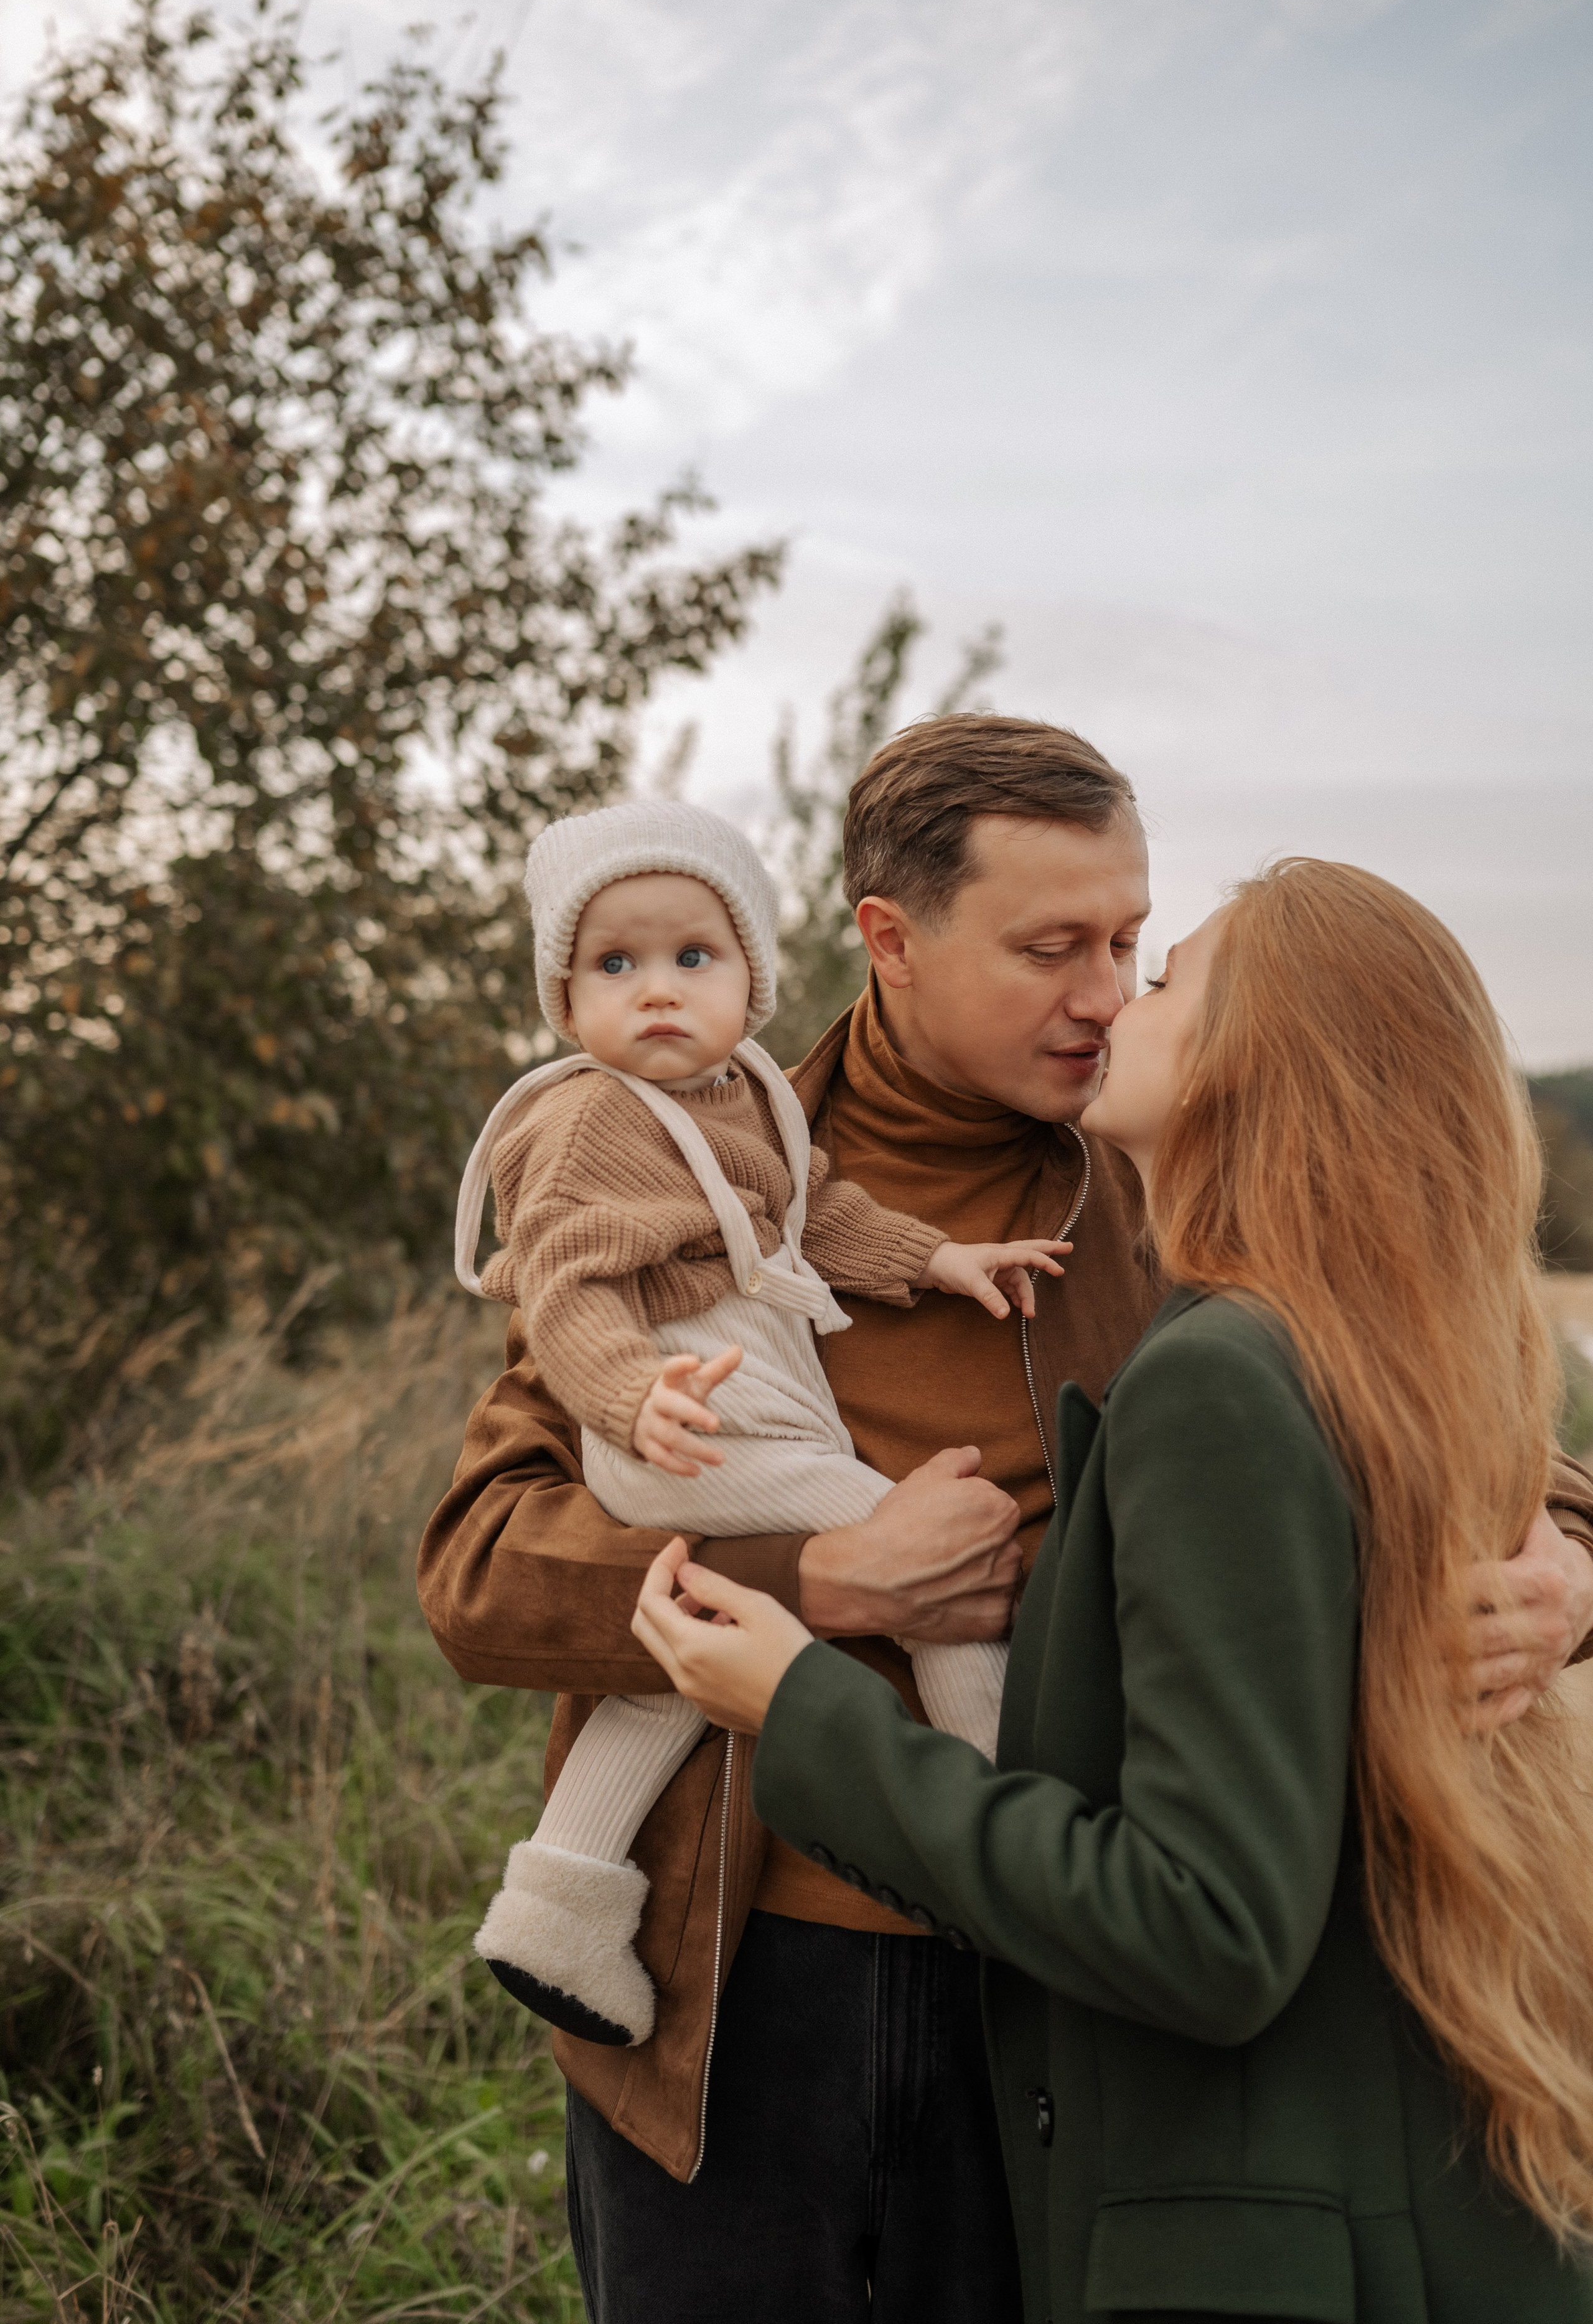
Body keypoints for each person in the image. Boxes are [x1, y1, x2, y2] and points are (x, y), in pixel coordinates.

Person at [418, 718, 1593, 2324]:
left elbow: (1455, 1412)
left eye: (1128, 942)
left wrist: (1567, 1566)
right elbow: (481, 1569)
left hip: (1059, 1981)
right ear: (890, 940)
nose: (1103, 992)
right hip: (734, 1997)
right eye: (1052, 950)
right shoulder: (682, 1157)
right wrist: (820, 1577)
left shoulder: (1180, 1174)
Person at [454, 799, 1057, 2048]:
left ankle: (558, 1902)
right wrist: (631, 1394)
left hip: (746, 1395)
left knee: (683, 1669)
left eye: (693, 956)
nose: (657, 991)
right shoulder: (586, 1119)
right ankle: (992, 1816)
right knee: (915, 1543)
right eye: (613, 965)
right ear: (564, 1001)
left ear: (753, 979)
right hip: (688, 1405)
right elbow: (563, 1287)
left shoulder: (754, 1102)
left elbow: (815, 1216)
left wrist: (937, 1260)